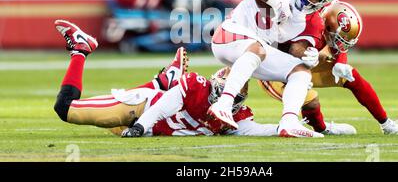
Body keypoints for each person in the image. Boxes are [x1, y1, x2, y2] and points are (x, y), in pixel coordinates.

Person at [52, 19, 354, 137]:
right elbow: (169, 103)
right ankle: (82, 49)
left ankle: (165, 78)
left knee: (115, 124)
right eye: (224, 89)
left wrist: (300, 130)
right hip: (143, 109)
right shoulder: (197, 86)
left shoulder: (236, 120)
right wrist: (142, 125)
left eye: (231, 96)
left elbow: (263, 129)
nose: (223, 92)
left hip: (148, 123)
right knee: (65, 110)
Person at [209, 0, 342, 138]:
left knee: (300, 71)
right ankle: (224, 104)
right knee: (258, 48)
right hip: (229, 36)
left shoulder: (313, 22)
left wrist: (311, 56)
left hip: (255, 54)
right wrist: (275, 1)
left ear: (323, 2)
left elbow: (296, 49)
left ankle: (289, 122)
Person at [260, 0, 398, 135]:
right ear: (326, 25)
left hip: (307, 62)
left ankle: (386, 124)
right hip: (277, 68)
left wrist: (340, 61)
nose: (339, 44)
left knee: (352, 77)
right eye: (337, 39)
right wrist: (311, 57)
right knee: (311, 99)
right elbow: (284, 48)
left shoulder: (332, 14)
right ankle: (321, 128)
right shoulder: (304, 19)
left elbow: (337, 44)